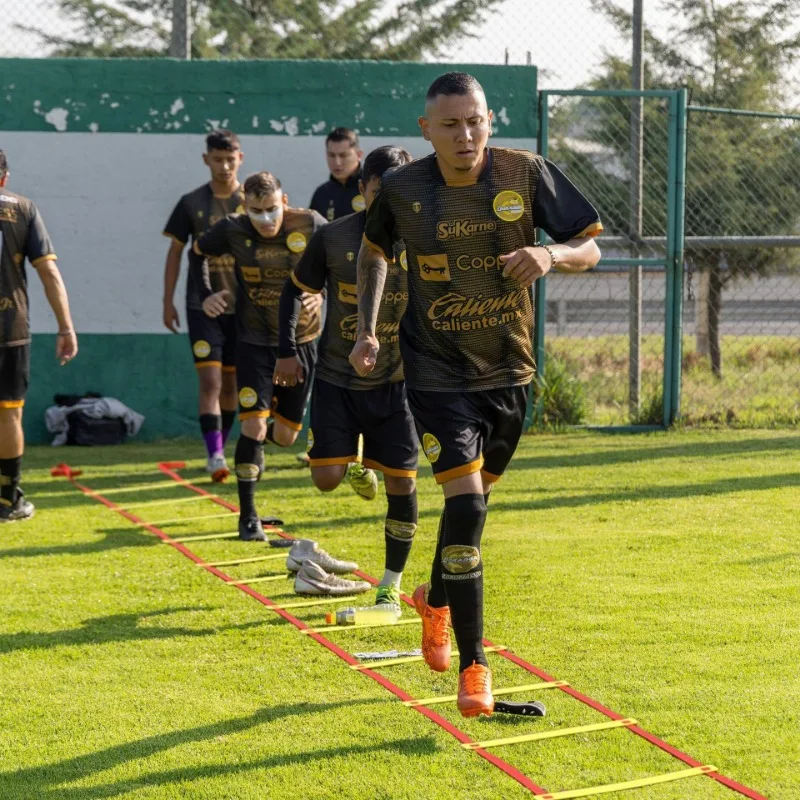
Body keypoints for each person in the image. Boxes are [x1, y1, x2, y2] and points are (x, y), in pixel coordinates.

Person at [349, 72, 602, 717]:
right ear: (425, 130)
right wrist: (368, 330)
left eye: (476, 120)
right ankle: (475, 669)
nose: (466, 135)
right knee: (466, 506)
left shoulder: (525, 173)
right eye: (451, 124)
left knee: (474, 504)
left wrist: (550, 257)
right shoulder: (403, 189)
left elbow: (590, 245)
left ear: (490, 120)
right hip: (434, 373)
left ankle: (434, 598)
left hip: (509, 373)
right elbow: (374, 252)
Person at [275, 145, 417, 608]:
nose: (389, 202)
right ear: (363, 190)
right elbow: (293, 293)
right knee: (326, 480)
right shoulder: (334, 238)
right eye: (380, 192)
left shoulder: (426, 239)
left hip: (397, 384)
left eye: (398, 192)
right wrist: (289, 350)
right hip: (338, 379)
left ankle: (390, 583)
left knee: (403, 483)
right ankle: (357, 463)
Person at [196, 172, 326, 542]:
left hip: (303, 341)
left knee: (285, 437)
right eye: (257, 211)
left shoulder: (311, 223)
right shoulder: (232, 229)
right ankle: (248, 517)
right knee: (252, 426)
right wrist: (207, 293)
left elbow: (341, 257)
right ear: (244, 206)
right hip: (253, 342)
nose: (266, 219)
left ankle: (255, 445)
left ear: (284, 202)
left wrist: (324, 291)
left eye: (272, 209)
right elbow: (198, 253)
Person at [0, 148, 78, 522]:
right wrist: (65, 325)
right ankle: (7, 499)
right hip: (9, 327)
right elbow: (49, 273)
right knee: (8, 415)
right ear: (5, 178)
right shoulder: (22, 208)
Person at [162, 129, 245, 482]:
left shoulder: (253, 200)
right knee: (210, 382)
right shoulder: (191, 203)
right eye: (217, 159)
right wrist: (167, 301)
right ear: (206, 160)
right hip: (201, 307)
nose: (224, 166)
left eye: (230, 159)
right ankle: (214, 455)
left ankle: (221, 449)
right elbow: (176, 252)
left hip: (244, 309)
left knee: (231, 386)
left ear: (240, 158)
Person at [309, 128, 365, 222]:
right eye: (331, 155)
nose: (337, 162)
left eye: (343, 155)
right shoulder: (322, 193)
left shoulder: (372, 188)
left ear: (359, 155)